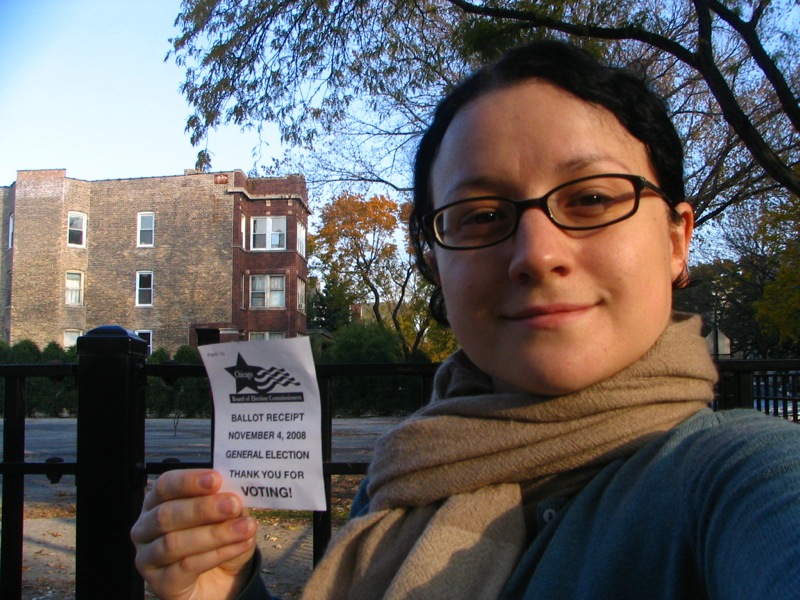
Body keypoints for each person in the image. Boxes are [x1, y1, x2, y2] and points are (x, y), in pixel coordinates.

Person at [131, 40, 800, 599]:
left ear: (678, 239)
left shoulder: (736, 480)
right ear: (434, 264)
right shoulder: (413, 473)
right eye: (481, 216)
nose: (538, 255)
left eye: (592, 198)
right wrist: (229, 587)